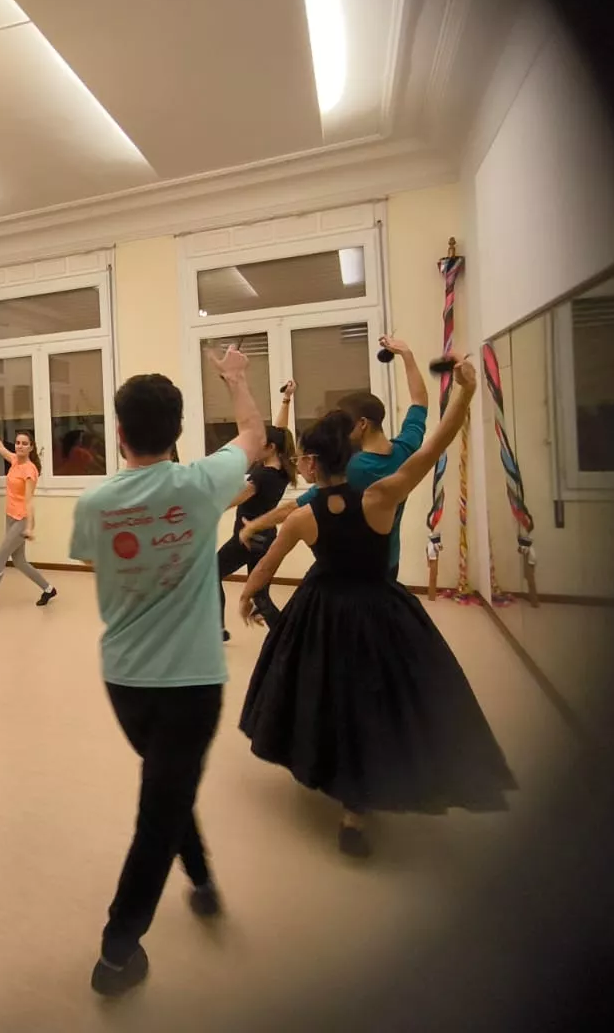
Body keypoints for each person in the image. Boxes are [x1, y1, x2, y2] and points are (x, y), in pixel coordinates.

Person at [238, 358, 516, 859]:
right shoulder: (383, 494)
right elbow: (433, 449)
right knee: (375, 695)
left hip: (324, 609)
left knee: (328, 693)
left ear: (313, 464)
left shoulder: (305, 516)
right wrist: (465, 396)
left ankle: (338, 781)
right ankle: (357, 806)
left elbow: (267, 568)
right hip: (380, 606)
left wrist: (244, 594)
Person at [68, 344, 264, 997]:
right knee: (160, 812)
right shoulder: (203, 483)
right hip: (191, 686)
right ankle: (117, 952)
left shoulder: (93, 505)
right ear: (178, 432)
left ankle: (202, 877)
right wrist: (235, 378)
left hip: (125, 682)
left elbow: (96, 564)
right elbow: (254, 437)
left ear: (117, 433)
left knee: (165, 788)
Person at [238, 335, 429, 580]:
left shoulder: (354, 469)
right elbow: (420, 403)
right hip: (389, 563)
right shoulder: (405, 448)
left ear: (361, 424)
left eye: (343, 422)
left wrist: (254, 525)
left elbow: (297, 506)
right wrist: (407, 355)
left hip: (354, 569)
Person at [216, 401, 297, 641]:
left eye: (261, 444)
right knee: (259, 594)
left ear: (271, 447)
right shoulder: (283, 469)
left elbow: (237, 498)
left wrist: (209, 508)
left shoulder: (261, 475)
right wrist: (286, 401)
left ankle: (216, 630)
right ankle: (285, 637)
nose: (256, 448)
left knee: (209, 575)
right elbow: (281, 431)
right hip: (267, 537)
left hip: (247, 538)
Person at [0, 421, 56, 614]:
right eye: (18, 442)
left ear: (31, 447)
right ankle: (48, 589)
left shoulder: (30, 470)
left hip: (21, 520)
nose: (19, 446)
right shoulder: (15, 461)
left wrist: (29, 527)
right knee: (19, 562)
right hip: (10, 517)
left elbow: (29, 501)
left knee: (0, 556)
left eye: (24, 443)